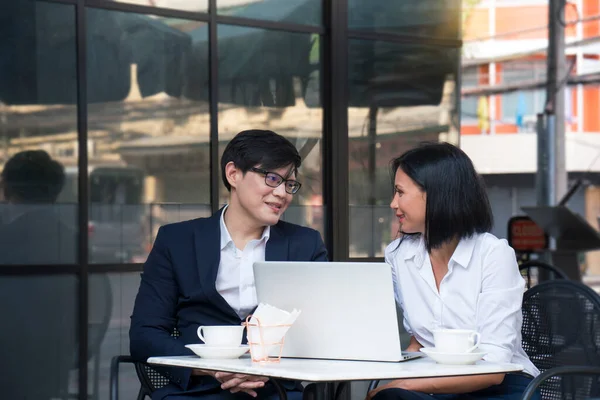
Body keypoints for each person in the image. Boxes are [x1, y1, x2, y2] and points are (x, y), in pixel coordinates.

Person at [130, 129, 328, 400]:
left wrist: (264, 369)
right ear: (233, 174)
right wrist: (213, 368)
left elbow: (320, 335)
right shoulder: (177, 241)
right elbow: (145, 335)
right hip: (197, 391)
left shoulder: (305, 244)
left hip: (276, 390)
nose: (282, 193)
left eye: (289, 184)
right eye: (272, 178)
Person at [368, 142, 540, 400]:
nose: (393, 203)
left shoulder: (493, 255)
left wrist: (405, 385)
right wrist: (397, 378)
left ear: (436, 195)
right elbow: (419, 340)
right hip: (437, 381)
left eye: (400, 192)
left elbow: (494, 368)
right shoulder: (398, 255)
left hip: (501, 387)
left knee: (396, 395)